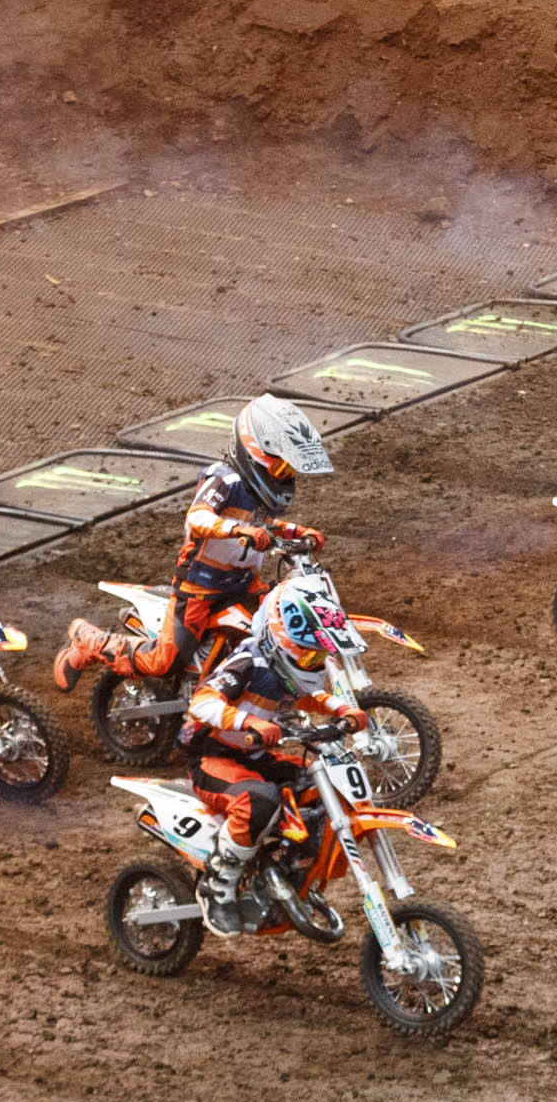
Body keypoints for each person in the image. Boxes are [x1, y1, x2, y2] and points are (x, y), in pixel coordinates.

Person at [57, 392, 331, 690]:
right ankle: (90, 641)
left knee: (280, 629)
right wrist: (237, 531)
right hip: (201, 587)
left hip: (244, 584)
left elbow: (262, 525)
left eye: (289, 471)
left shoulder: (259, 497)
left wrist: (295, 531)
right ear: (255, 453)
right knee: (165, 661)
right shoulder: (225, 480)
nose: (285, 477)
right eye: (281, 469)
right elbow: (197, 518)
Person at [178, 584, 359, 928]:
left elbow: (310, 695)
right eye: (311, 657)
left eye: (319, 657)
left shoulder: (283, 673)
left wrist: (343, 709)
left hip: (255, 756)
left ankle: (289, 870)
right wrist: (248, 721)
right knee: (258, 800)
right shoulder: (247, 661)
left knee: (320, 781)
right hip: (212, 758)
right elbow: (201, 702)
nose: (315, 663)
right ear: (281, 643)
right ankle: (217, 887)